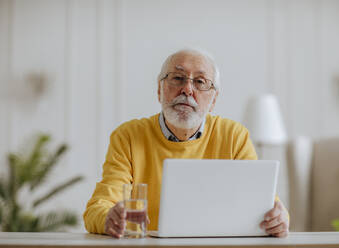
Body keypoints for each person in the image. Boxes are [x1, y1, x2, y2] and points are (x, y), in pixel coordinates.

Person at [83, 48, 289, 238]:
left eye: (200, 82)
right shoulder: (128, 136)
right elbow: (97, 209)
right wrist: (109, 218)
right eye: (178, 78)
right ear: (159, 89)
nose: (187, 90)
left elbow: (266, 207)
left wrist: (279, 219)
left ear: (214, 99)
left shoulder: (234, 136)